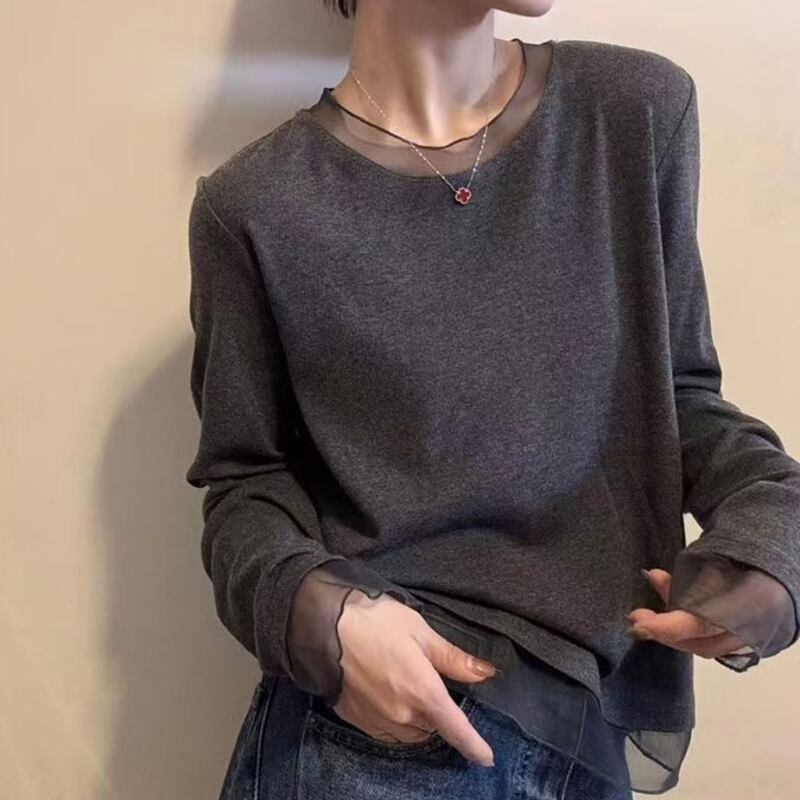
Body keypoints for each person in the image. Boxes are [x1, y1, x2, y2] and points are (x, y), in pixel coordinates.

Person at [184, 2, 800, 798]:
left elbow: (675, 395)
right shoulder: (257, 203)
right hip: (375, 732)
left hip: (587, 727)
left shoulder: (633, 110)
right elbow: (246, 481)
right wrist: (320, 615)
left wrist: (774, 526)